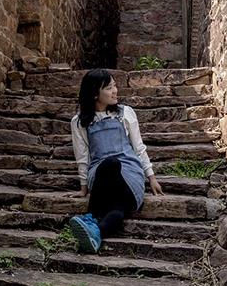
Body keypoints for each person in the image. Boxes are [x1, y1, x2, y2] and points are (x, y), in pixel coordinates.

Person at [68, 68, 164, 253]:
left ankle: (91, 220)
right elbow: (82, 156)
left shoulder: (125, 113)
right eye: (109, 88)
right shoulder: (79, 122)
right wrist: (83, 188)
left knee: (114, 168)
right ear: (95, 93)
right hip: (100, 174)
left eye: (115, 86)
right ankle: (96, 234)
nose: (115, 91)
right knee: (116, 204)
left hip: (128, 173)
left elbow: (138, 147)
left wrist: (151, 177)